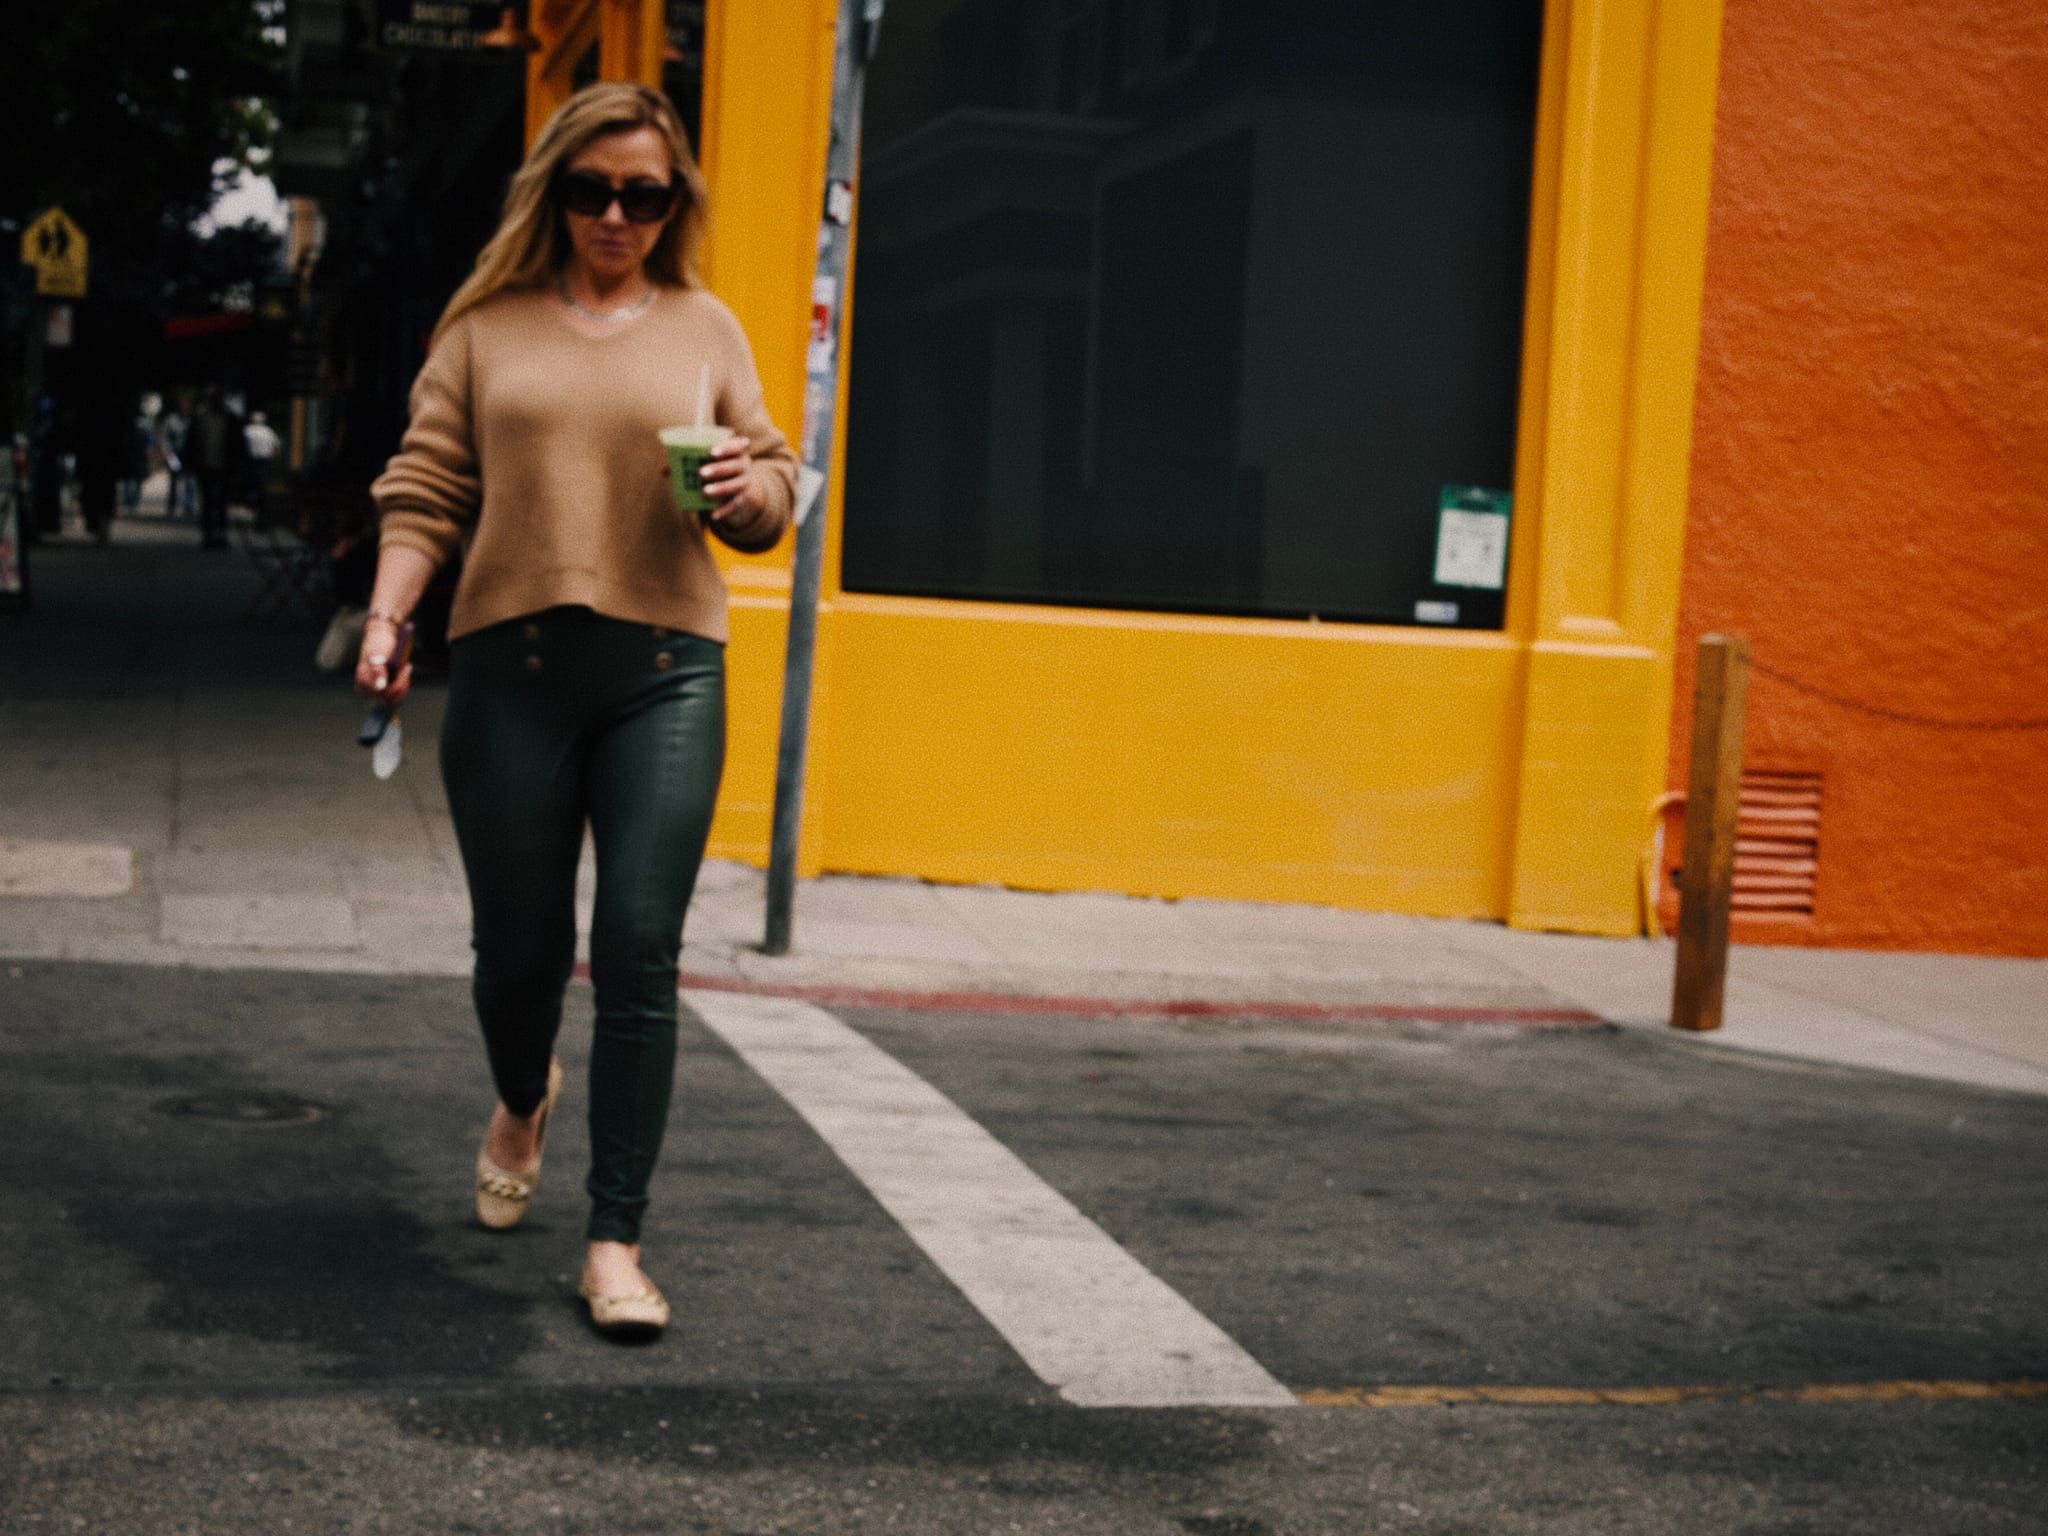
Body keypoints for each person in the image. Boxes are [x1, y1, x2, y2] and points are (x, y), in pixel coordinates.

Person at [358, 81, 795, 1338]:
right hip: (510, 677)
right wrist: (389, 622)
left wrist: (740, 491)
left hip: (665, 673)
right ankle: (520, 1094)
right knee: (518, 963)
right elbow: (425, 485)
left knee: (641, 955)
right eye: (593, 189)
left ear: (672, 204)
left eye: (644, 195)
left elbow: (768, 484)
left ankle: (614, 1238)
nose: (617, 213)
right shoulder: (486, 327)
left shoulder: (706, 326)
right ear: (554, 191)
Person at [188, 388, 244, 549]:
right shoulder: (200, 418)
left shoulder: (228, 419)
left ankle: (219, 533)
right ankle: (209, 534)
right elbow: (192, 443)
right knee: (208, 501)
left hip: (223, 466)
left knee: (220, 502)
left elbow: (237, 445)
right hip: (205, 466)